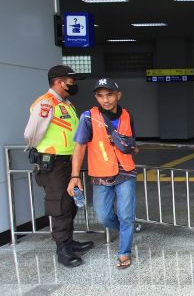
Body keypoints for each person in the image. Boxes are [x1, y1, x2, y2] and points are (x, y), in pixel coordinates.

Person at [24, 65, 94, 268]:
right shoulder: (46, 103)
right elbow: (31, 133)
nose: (74, 84)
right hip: (53, 163)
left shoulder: (66, 103)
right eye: (71, 80)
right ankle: (62, 249)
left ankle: (69, 241)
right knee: (59, 205)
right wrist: (40, 150)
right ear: (58, 81)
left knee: (70, 204)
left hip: (68, 161)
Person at [69, 78, 138, 269]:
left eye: (109, 95)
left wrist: (131, 147)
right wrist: (75, 176)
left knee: (126, 215)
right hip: (101, 174)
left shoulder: (127, 115)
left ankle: (124, 252)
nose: (105, 100)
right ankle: (130, 229)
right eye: (100, 96)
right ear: (96, 97)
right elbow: (80, 147)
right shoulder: (88, 117)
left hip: (126, 172)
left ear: (118, 95)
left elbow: (130, 140)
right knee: (103, 216)